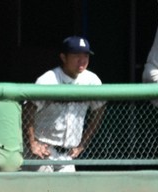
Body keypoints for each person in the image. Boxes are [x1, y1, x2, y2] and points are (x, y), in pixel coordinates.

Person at [23, 36, 106, 172]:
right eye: (76, 55)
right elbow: (27, 111)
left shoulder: (92, 80)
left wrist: (83, 144)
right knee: (43, 191)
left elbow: (99, 109)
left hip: (67, 155)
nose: (82, 60)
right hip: (42, 150)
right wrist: (32, 143)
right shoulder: (48, 79)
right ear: (63, 57)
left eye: (85, 55)